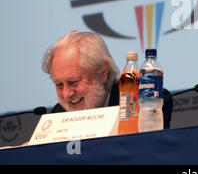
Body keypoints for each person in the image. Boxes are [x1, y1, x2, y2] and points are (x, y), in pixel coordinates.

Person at [42, 30, 173, 128]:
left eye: (73, 82)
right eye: (59, 85)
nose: (66, 94)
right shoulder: (58, 115)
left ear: (103, 73)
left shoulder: (144, 101)